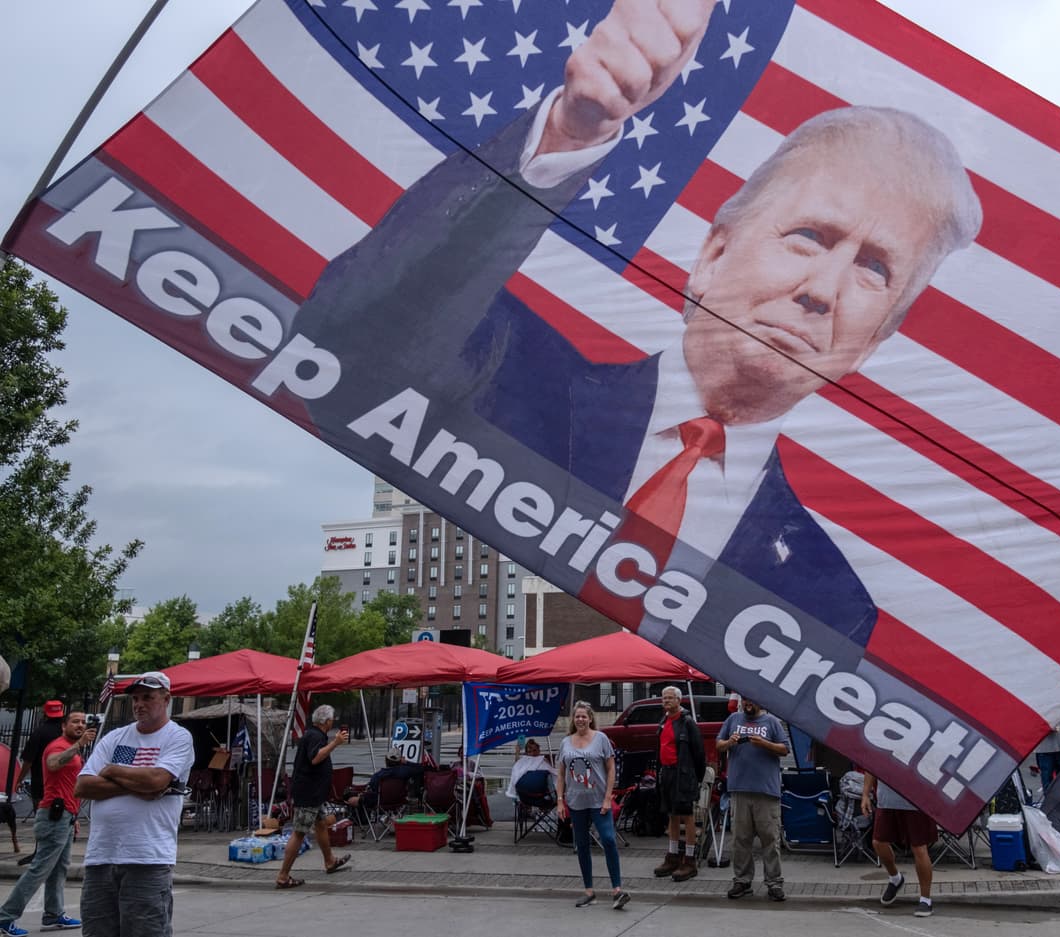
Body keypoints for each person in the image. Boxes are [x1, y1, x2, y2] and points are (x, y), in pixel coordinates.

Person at [295, 0, 982, 647]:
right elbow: (341, 352)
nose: (823, 291)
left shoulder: (829, 602)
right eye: (809, 236)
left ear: (873, 342)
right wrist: (568, 135)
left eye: (873, 269)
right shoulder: (505, 364)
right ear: (712, 256)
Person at [74, 672, 195, 937]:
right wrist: (141, 786)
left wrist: (111, 770)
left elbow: (157, 779)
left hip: (147, 858)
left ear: (166, 699)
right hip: (101, 856)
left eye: (148, 697)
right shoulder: (114, 737)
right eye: (136, 699)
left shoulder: (178, 737)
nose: (139, 704)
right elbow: (83, 786)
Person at [0, 710, 96, 936]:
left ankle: (53, 914)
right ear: (63, 726)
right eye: (75, 722)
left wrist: (73, 817)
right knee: (40, 868)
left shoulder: (72, 749)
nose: (80, 725)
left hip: (65, 815)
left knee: (59, 868)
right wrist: (79, 744)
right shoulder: (58, 746)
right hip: (54, 815)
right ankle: (5, 917)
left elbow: (69, 784)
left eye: (83, 722)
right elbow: (52, 764)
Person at [556, 701, 628, 910]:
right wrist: (560, 800)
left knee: (608, 839)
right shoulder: (566, 742)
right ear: (573, 719)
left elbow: (611, 768)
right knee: (582, 845)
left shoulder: (601, 739)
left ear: (590, 718)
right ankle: (589, 891)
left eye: (584, 716)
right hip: (576, 801)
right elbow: (561, 773)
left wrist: (608, 797)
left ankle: (617, 890)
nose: (580, 719)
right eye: (577, 716)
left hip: (598, 800)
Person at [715, 697, 789, 901]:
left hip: (766, 792)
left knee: (770, 839)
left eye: (751, 701)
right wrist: (730, 742)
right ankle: (742, 881)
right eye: (744, 700)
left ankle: (774, 883)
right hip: (739, 790)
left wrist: (764, 743)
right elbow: (719, 745)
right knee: (740, 839)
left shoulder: (771, 722)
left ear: (759, 702)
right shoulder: (732, 719)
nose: (747, 703)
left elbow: (784, 749)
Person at [275, 705, 350, 889]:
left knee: (321, 824)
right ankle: (283, 876)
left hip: (315, 793)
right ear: (326, 721)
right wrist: (335, 743)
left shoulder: (315, 735)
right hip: (308, 793)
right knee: (299, 832)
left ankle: (329, 861)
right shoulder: (315, 736)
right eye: (332, 719)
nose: (333, 722)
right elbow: (315, 758)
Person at [861, 772, 936, 918]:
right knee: (878, 843)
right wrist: (865, 795)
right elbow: (871, 767)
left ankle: (925, 900)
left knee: (919, 848)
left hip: (916, 802)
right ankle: (895, 878)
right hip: (886, 801)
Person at [652, 686, 706, 882]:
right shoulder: (663, 721)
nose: (666, 701)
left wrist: (696, 778)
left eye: (669, 698)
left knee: (687, 816)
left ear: (678, 700)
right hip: (667, 773)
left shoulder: (687, 722)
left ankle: (689, 859)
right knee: (672, 815)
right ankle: (673, 855)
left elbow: (699, 753)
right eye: (664, 698)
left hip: (683, 774)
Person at [13, 702, 66, 868]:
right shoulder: (66, 732)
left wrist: (19, 779)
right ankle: (56, 853)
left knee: (42, 819)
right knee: (62, 819)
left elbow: (28, 760)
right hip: (64, 783)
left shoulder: (39, 732)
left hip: (41, 782)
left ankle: (40, 852)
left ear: (45, 713)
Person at [345, 751, 426, 823]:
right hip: (399, 801)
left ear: (386, 761)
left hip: (380, 802)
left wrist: (361, 794)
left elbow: (371, 790)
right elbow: (421, 768)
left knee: (351, 798)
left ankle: (356, 822)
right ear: (400, 761)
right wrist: (406, 762)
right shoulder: (405, 771)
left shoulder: (378, 775)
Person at [1033, 717, 1060, 791]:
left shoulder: (1058, 708)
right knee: (1047, 781)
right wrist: (1046, 726)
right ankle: (1049, 798)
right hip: (1044, 749)